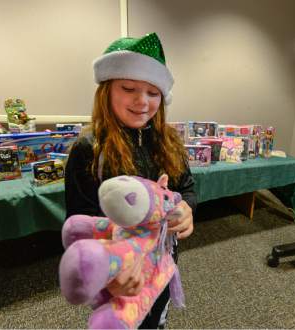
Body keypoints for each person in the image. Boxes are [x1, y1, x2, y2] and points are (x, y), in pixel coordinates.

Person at [64, 32, 196, 329]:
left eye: (153, 92)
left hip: (163, 258)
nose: (142, 101)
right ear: (107, 90)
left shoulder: (169, 141)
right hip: (119, 267)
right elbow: (79, 221)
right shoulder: (90, 149)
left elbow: (186, 187)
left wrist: (188, 207)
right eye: (129, 88)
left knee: (156, 315)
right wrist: (108, 273)